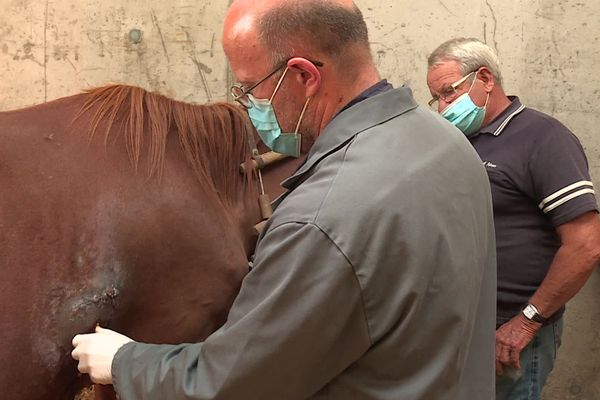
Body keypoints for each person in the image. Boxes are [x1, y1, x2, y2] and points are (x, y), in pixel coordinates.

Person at [71, 2, 497, 399]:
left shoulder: (322, 218)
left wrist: (125, 363)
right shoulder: (447, 142)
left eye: (248, 88)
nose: (248, 104)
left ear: (304, 76)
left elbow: (231, 383)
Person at [426, 37, 600, 400]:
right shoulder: (460, 141)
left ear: (485, 78)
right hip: (462, 327)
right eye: (437, 99)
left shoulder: (543, 138)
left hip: (510, 334)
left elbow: (586, 244)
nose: (443, 108)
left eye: (448, 93)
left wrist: (525, 323)